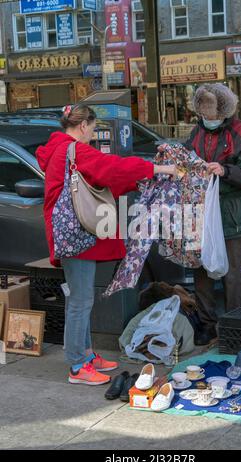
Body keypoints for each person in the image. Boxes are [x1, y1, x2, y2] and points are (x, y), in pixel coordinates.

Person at [36, 104, 176, 386]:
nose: (93, 133)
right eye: (93, 127)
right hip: (77, 235)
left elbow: (99, 178)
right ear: (84, 126)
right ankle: (78, 366)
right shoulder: (75, 150)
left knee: (80, 297)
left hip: (71, 232)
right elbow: (113, 168)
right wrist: (157, 168)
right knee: (80, 300)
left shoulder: (58, 149)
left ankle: (86, 355)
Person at [185, 83, 241, 346]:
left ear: (224, 111)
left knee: (233, 275)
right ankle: (208, 326)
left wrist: (225, 171)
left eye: (212, 116)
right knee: (201, 272)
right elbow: (186, 161)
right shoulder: (196, 132)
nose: (207, 120)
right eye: (204, 115)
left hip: (232, 215)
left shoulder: (240, 132)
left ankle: (233, 328)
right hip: (201, 215)